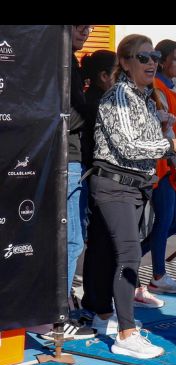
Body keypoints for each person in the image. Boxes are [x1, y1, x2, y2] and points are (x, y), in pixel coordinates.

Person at [82, 34, 176, 358]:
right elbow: (128, 146)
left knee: (109, 253)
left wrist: (162, 128)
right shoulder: (118, 95)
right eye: (143, 57)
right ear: (126, 62)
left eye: (155, 56)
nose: (151, 62)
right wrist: (171, 145)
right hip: (114, 184)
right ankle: (126, 334)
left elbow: (142, 141)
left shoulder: (145, 96)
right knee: (129, 256)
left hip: (134, 186)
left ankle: (103, 315)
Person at [41, 25, 100, 341]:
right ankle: (58, 316)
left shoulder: (62, 61)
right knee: (71, 241)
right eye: (79, 25)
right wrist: (101, 108)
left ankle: (54, 311)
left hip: (64, 158)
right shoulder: (60, 63)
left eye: (90, 26)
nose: (85, 31)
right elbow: (69, 116)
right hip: (67, 160)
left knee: (67, 240)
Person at [138, 39, 176, 296]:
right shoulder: (157, 88)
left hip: (174, 164)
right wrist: (175, 163)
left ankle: (132, 255)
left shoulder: (169, 86)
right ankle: (158, 275)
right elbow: (166, 130)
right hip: (164, 165)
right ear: (163, 61)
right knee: (164, 221)